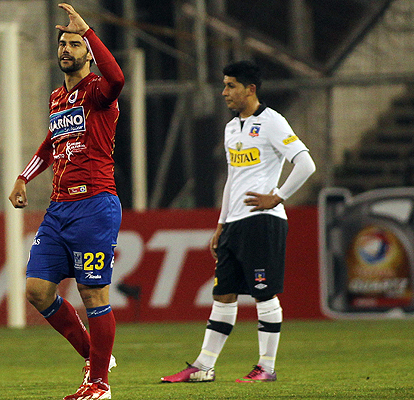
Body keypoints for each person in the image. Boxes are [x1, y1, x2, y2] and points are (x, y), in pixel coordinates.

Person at [161, 60, 316, 383]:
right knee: (224, 294)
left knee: (263, 294)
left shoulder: (272, 122)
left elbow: (305, 163)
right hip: (235, 224)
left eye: (231, 85)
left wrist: (278, 196)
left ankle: (267, 367)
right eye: (224, 85)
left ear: (251, 89)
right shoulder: (232, 128)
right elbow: (233, 179)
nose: (225, 92)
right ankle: (204, 367)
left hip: (263, 221)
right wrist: (221, 223)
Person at [8, 3, 124, 400]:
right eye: (62, 43)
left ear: (88, 52)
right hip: (58, 210)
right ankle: (95, 358)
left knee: (94, 295)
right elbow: (51, 142)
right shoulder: (58, 97)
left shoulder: (99, 93)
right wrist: (24, 177)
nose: (65, 49)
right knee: (37, 290)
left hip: (95, 204)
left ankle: (99, 385)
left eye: (74, 44)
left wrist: (88, 30)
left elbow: (118, 76)